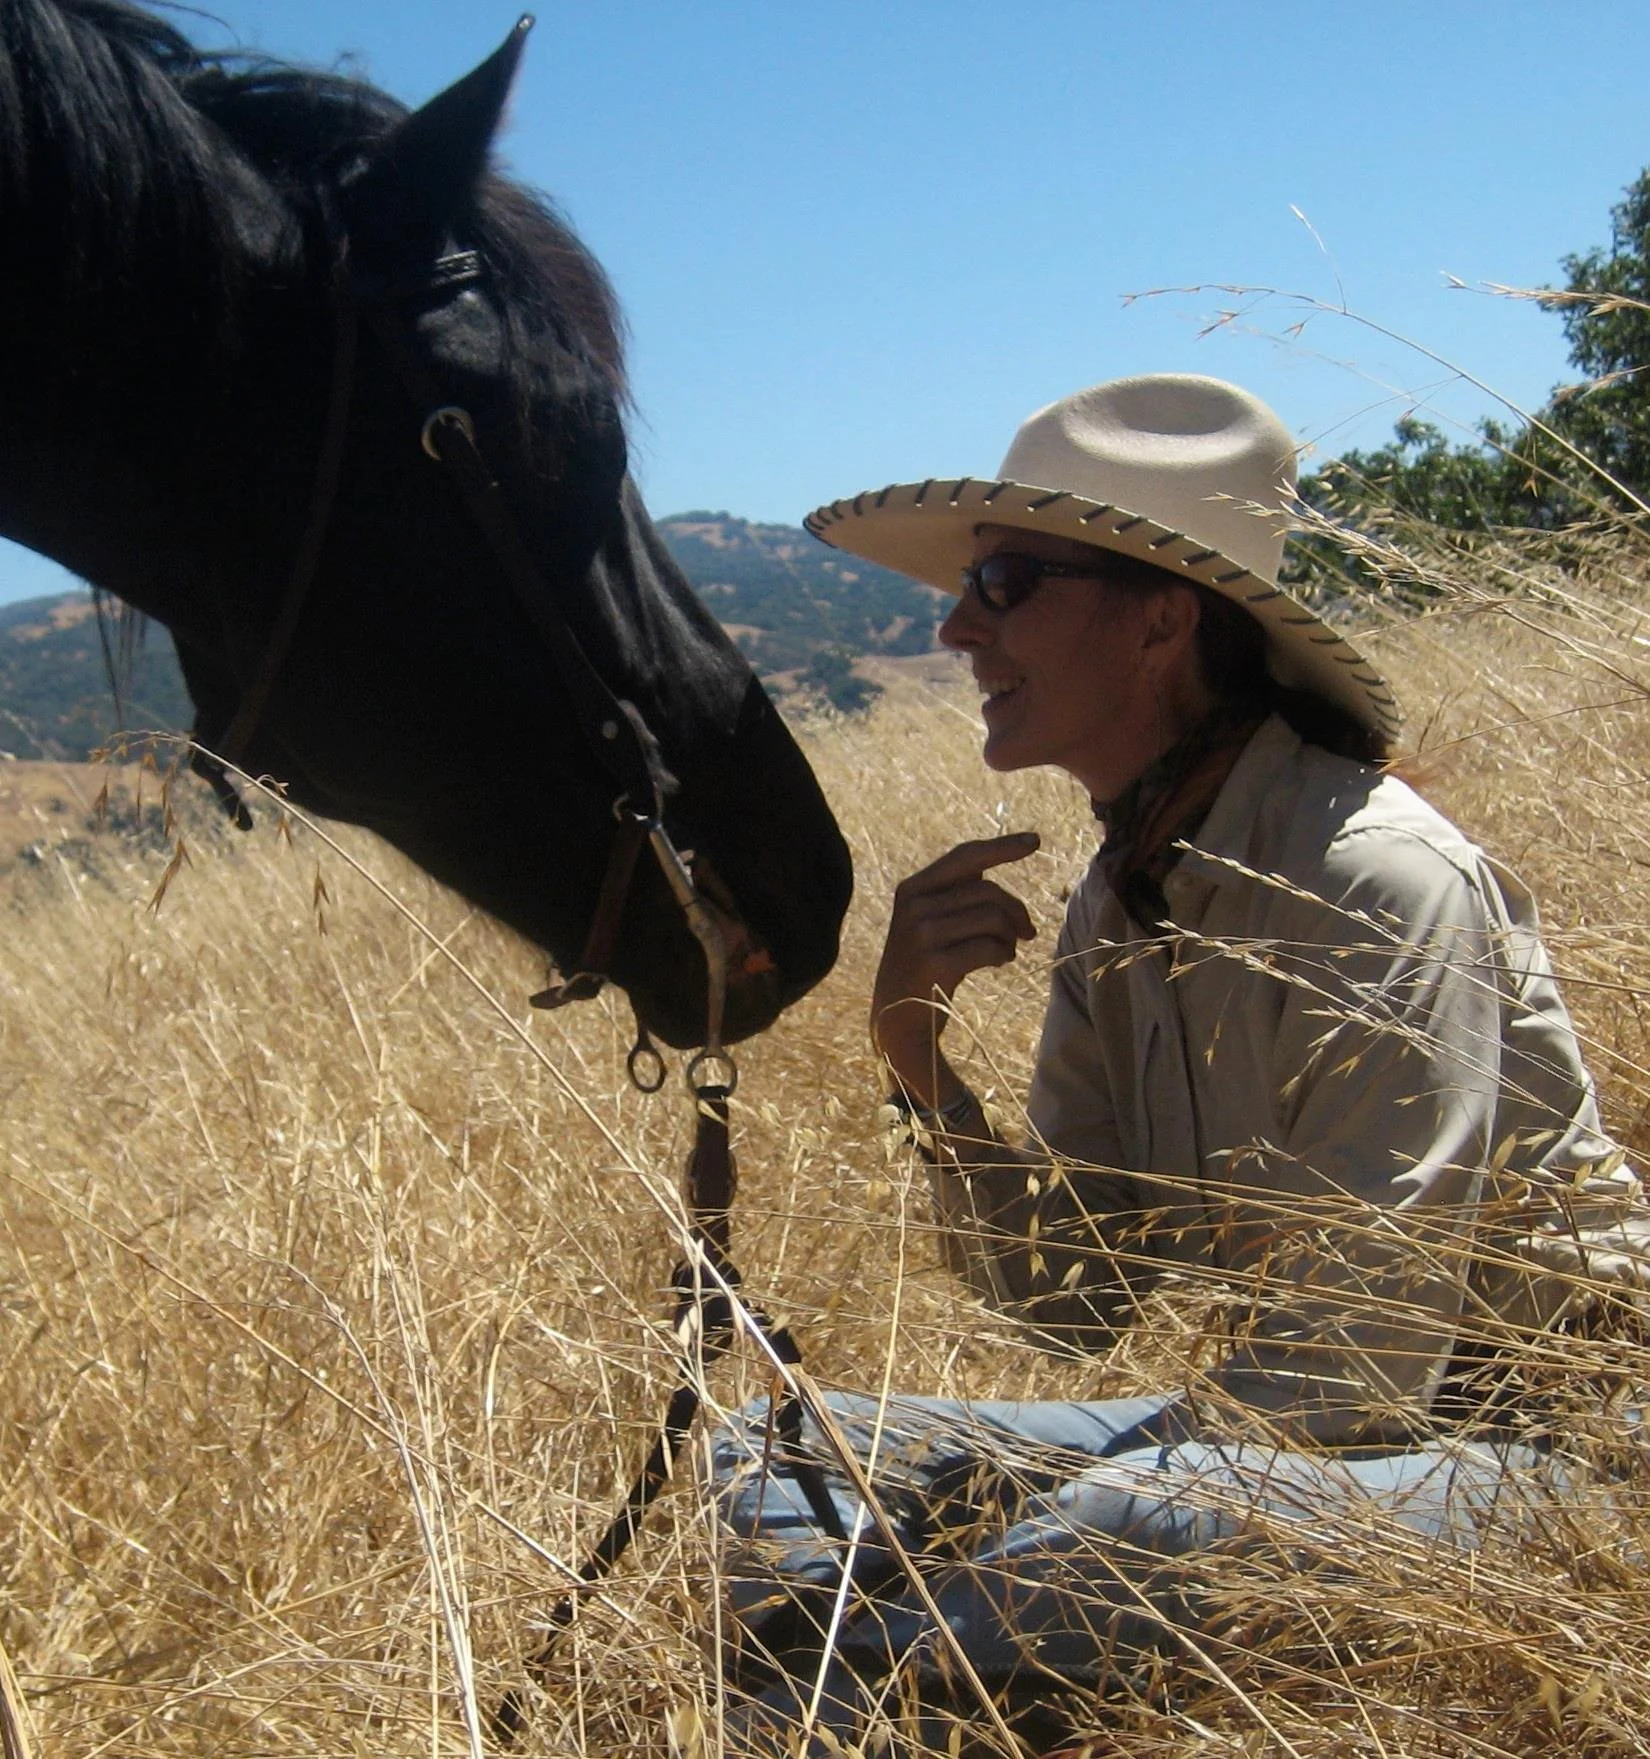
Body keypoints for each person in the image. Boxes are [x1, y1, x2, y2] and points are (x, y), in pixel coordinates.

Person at [708, 375, 1648, 1752]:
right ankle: (880, 1674)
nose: (955, 627)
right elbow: (1071, 1300)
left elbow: (1353, 1371)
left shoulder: (1372, 878)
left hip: (1555, 1460)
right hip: (1303, 1446)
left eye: (1008, 582)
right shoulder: (1122, 896)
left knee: (1107, 1523)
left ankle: (842, 1693)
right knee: (773, 1449)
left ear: (1161, 618)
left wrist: (1046, 1509)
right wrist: (913, 1050)